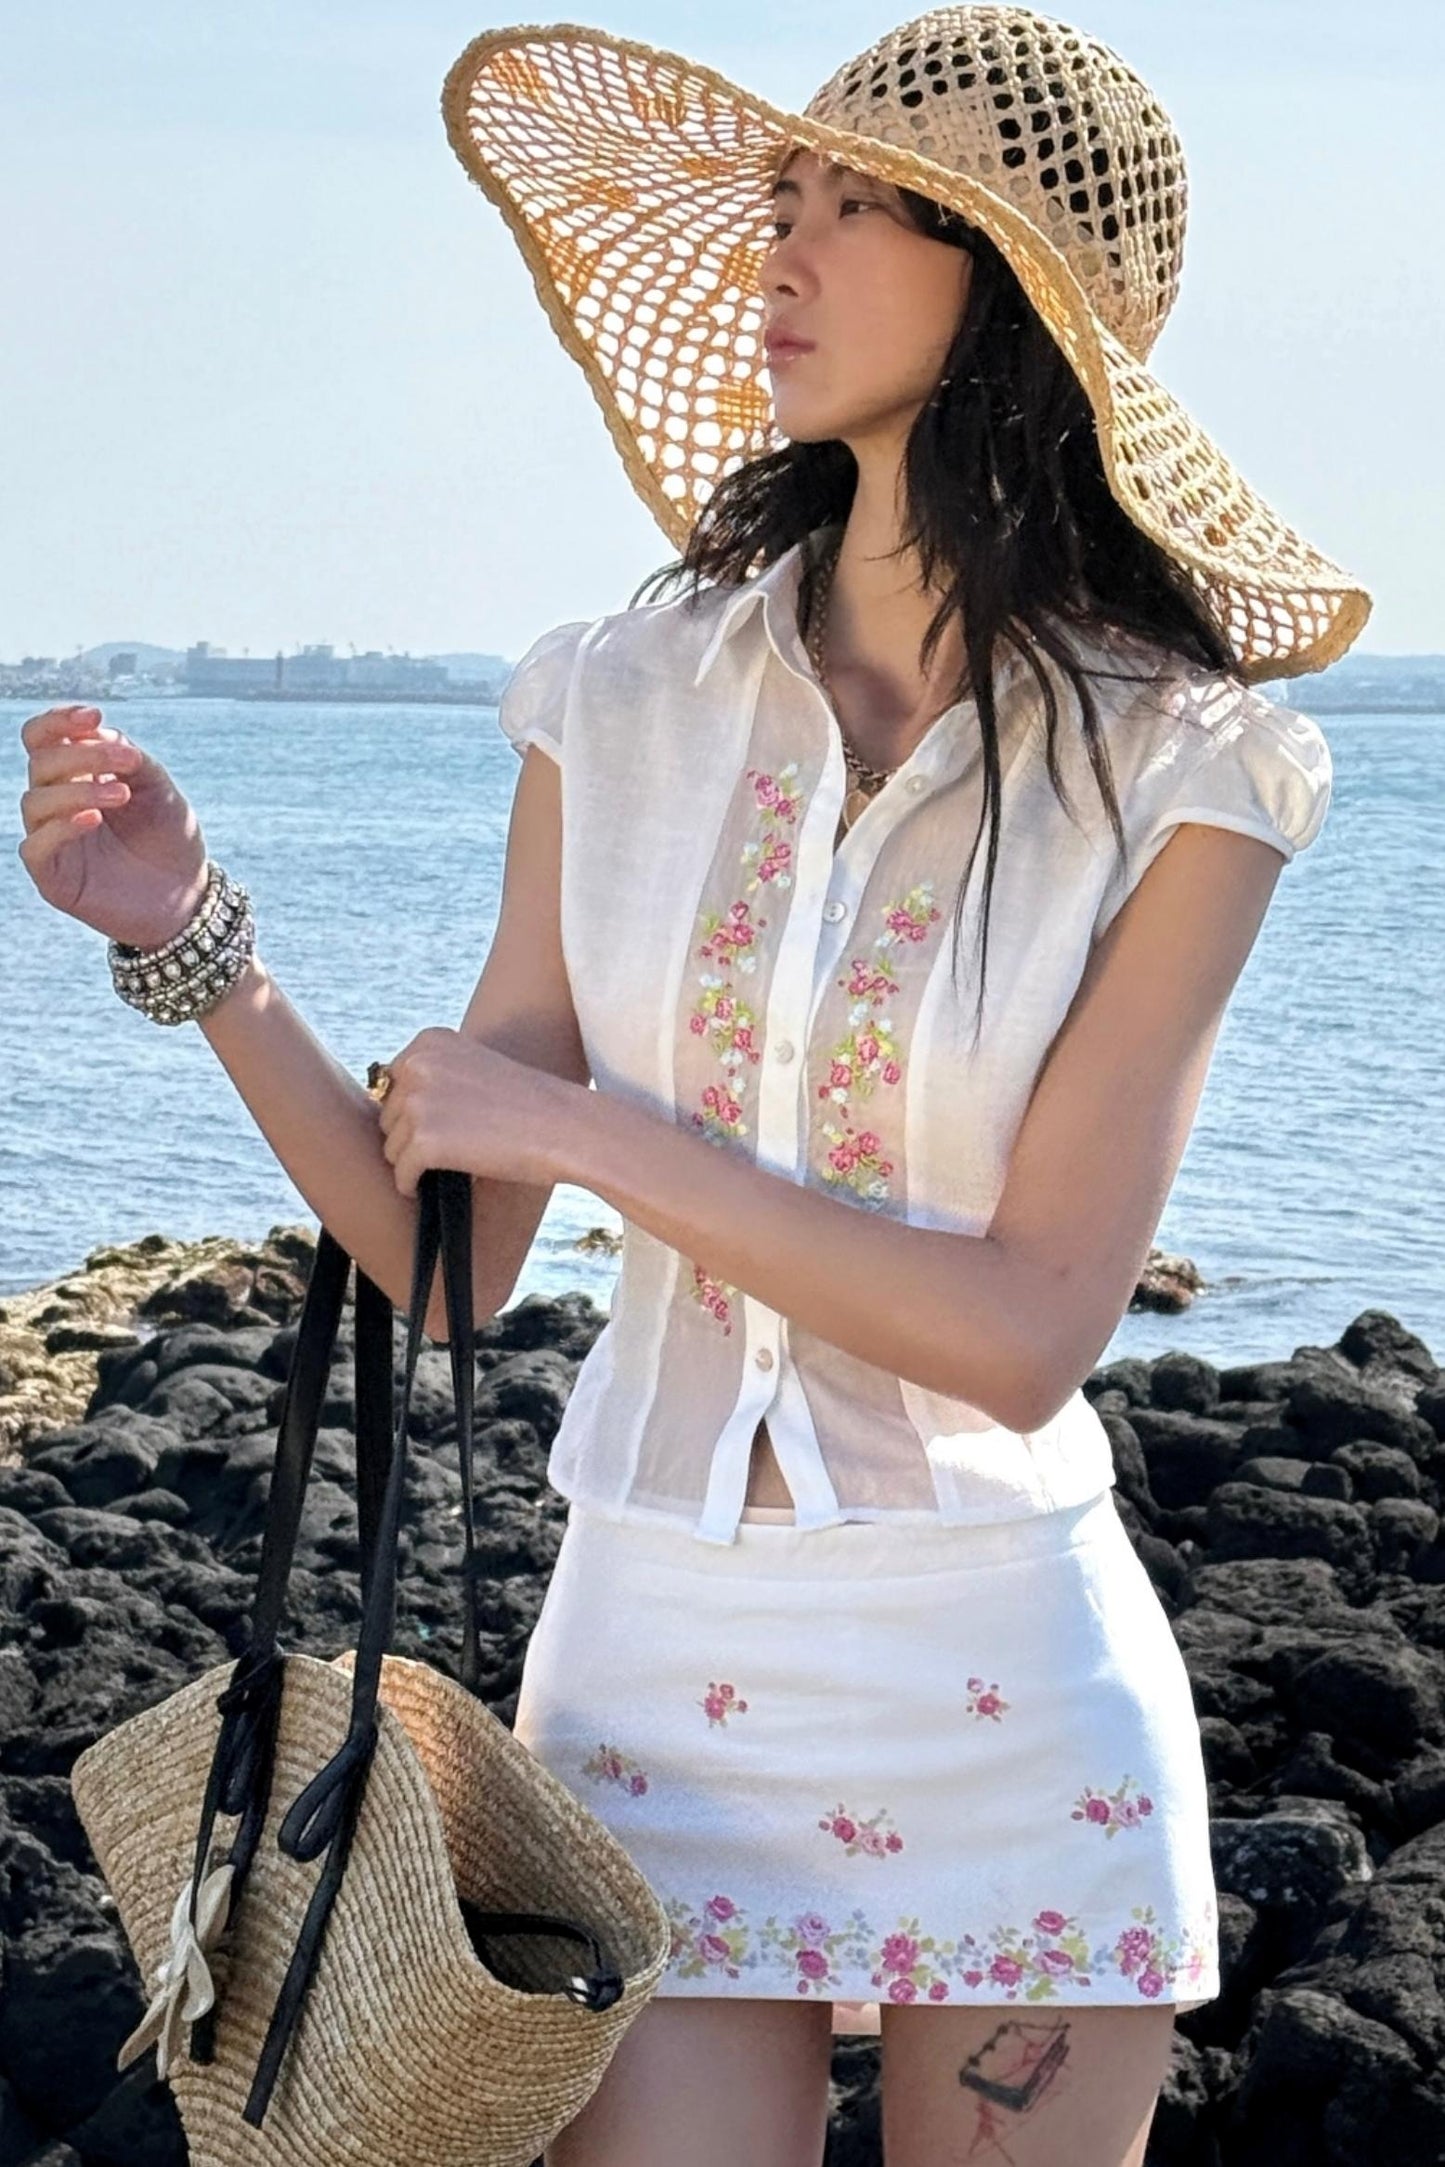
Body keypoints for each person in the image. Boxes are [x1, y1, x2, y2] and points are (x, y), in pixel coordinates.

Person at [18, 7, 1370, 2164]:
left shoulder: (1186, 767)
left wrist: (584, 1129)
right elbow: (443, 1263)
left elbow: (1028, 1333)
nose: (784, 252)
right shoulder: (624, 696)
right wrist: (202, 945)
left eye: (860, 211)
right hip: (653, 1666)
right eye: (784, 199)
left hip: (1011, 1681)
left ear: (1013, 288)